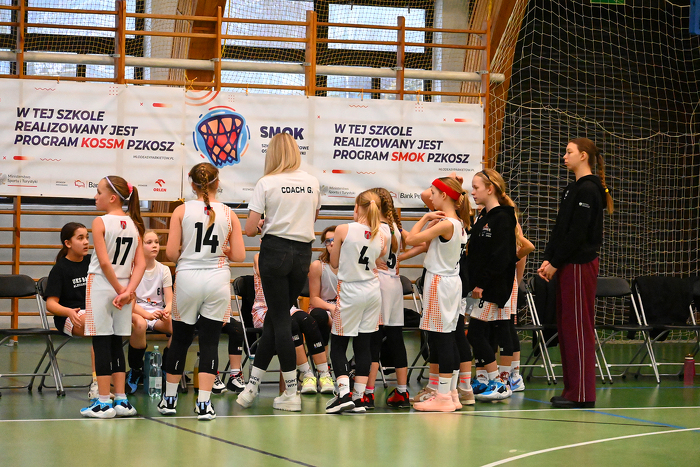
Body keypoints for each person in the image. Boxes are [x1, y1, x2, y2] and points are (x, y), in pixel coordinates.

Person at [237, 132, 320, 412]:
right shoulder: (312, 182)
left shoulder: (267, 182)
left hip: (275, 251)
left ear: (272, 154)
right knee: (276, 317)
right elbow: (313, 217)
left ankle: (291, 392)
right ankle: (252, 387)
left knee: (281, 320)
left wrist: (264, 223)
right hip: (303, 254)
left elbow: (250, 229)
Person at [159, 162, 246, 420]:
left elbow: (171, 253)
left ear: (191, 183)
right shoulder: (229, 213)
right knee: (210, 342)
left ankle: (169, 400)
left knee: (180, 339)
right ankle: (204, 404)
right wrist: (224, 250)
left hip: (188, 277)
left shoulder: (181, 210)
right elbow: (239, 255)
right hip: (217, 278)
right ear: (218, 183)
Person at [538, 137, 613, 409]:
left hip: (580, 264)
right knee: (567, 326)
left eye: (569, 152)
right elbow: (561, 228)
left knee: (579, 327)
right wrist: (549, 258)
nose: (564, 156)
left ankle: (583, 394)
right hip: (567, 264)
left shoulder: (590, 189)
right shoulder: (573, 188)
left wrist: (557, 262)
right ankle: (572, 390)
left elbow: (578, 233)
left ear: (583, 156)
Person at [80, 176, 145, 419]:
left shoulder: (100, 222)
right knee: (117, 343)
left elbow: (104, 262)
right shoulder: (134, 224)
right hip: (125, 288)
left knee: (101, 343)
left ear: (112, 197)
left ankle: (103, 403)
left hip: (101, 285)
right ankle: (122, 400)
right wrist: (127, 291)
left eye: (98, 192)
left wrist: (119, 290)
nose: (95, 196)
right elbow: (140, 264)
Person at [406, 177, 469, 412]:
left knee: (441, 339)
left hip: (439, 282)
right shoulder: (459, 223)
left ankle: (442, 397)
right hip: (452, 282)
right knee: (450, 337)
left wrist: (425, 218)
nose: (430, 197)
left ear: (444, 195)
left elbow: (410, 239)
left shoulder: (445, 224)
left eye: (433, 193)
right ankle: (451, 393)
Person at [325, 190, 387, 414]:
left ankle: (343, 394)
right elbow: (380, 256)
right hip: (372, 291)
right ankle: (359, 397)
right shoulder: (381, 234)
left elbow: (333, 263)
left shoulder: (343, 229)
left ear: (358, 207)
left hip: (351, 290)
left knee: (338, 344)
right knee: (364, 344)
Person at [466, 169, 518, 402]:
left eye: (476, 187)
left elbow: (501, 257)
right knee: (481, 333)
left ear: (490, 189)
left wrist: (482, 284)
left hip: (492, 288)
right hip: (481, 286)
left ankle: (498, 382)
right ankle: (487, 380)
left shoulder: (503, 217)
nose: (472, 192)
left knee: (475, 333)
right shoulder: (483, 217)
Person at [364, 187, 411, 409]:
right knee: (396, 339)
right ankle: (402, 391)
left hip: (379, 284)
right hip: (394, 285)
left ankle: (368, 393)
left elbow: (368, 258)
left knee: (373, 340)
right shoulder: (394, 228)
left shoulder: (376, 229)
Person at [45, 222, 103, 400]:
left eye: (87, 237)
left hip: (94, 312)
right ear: (68, 243)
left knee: (117, 325)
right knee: (99, 329)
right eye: (80, 238)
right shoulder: (60, 269)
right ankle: (98, 384)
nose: (86, 242)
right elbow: (51, 304)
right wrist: (69, 312)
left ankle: (120, 379)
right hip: (69, 316)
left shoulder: (93, 262)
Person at [125, 230, 173, 394]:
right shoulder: (132, 269)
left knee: (178, 328)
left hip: (157, 313)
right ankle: (135, 370)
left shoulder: (164, 270)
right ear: (140, 246)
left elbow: (169, 300)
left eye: (156, 242)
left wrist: (166, 311)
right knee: (140, 324)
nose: (154, 246)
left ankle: (165, 368)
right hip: (136, 311)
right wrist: (147, 315)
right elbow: (130, 303)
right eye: (149, 242)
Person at [306, 225, 337, 356]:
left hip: (345, 306)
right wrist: (331, 308)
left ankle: (356, 362)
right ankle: (324, 362)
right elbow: (314, 299)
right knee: (319, 316)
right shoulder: (318, 266)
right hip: (324, 306)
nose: (331, 244)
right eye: (328, 241)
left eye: (334, 239)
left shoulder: (351, 265)